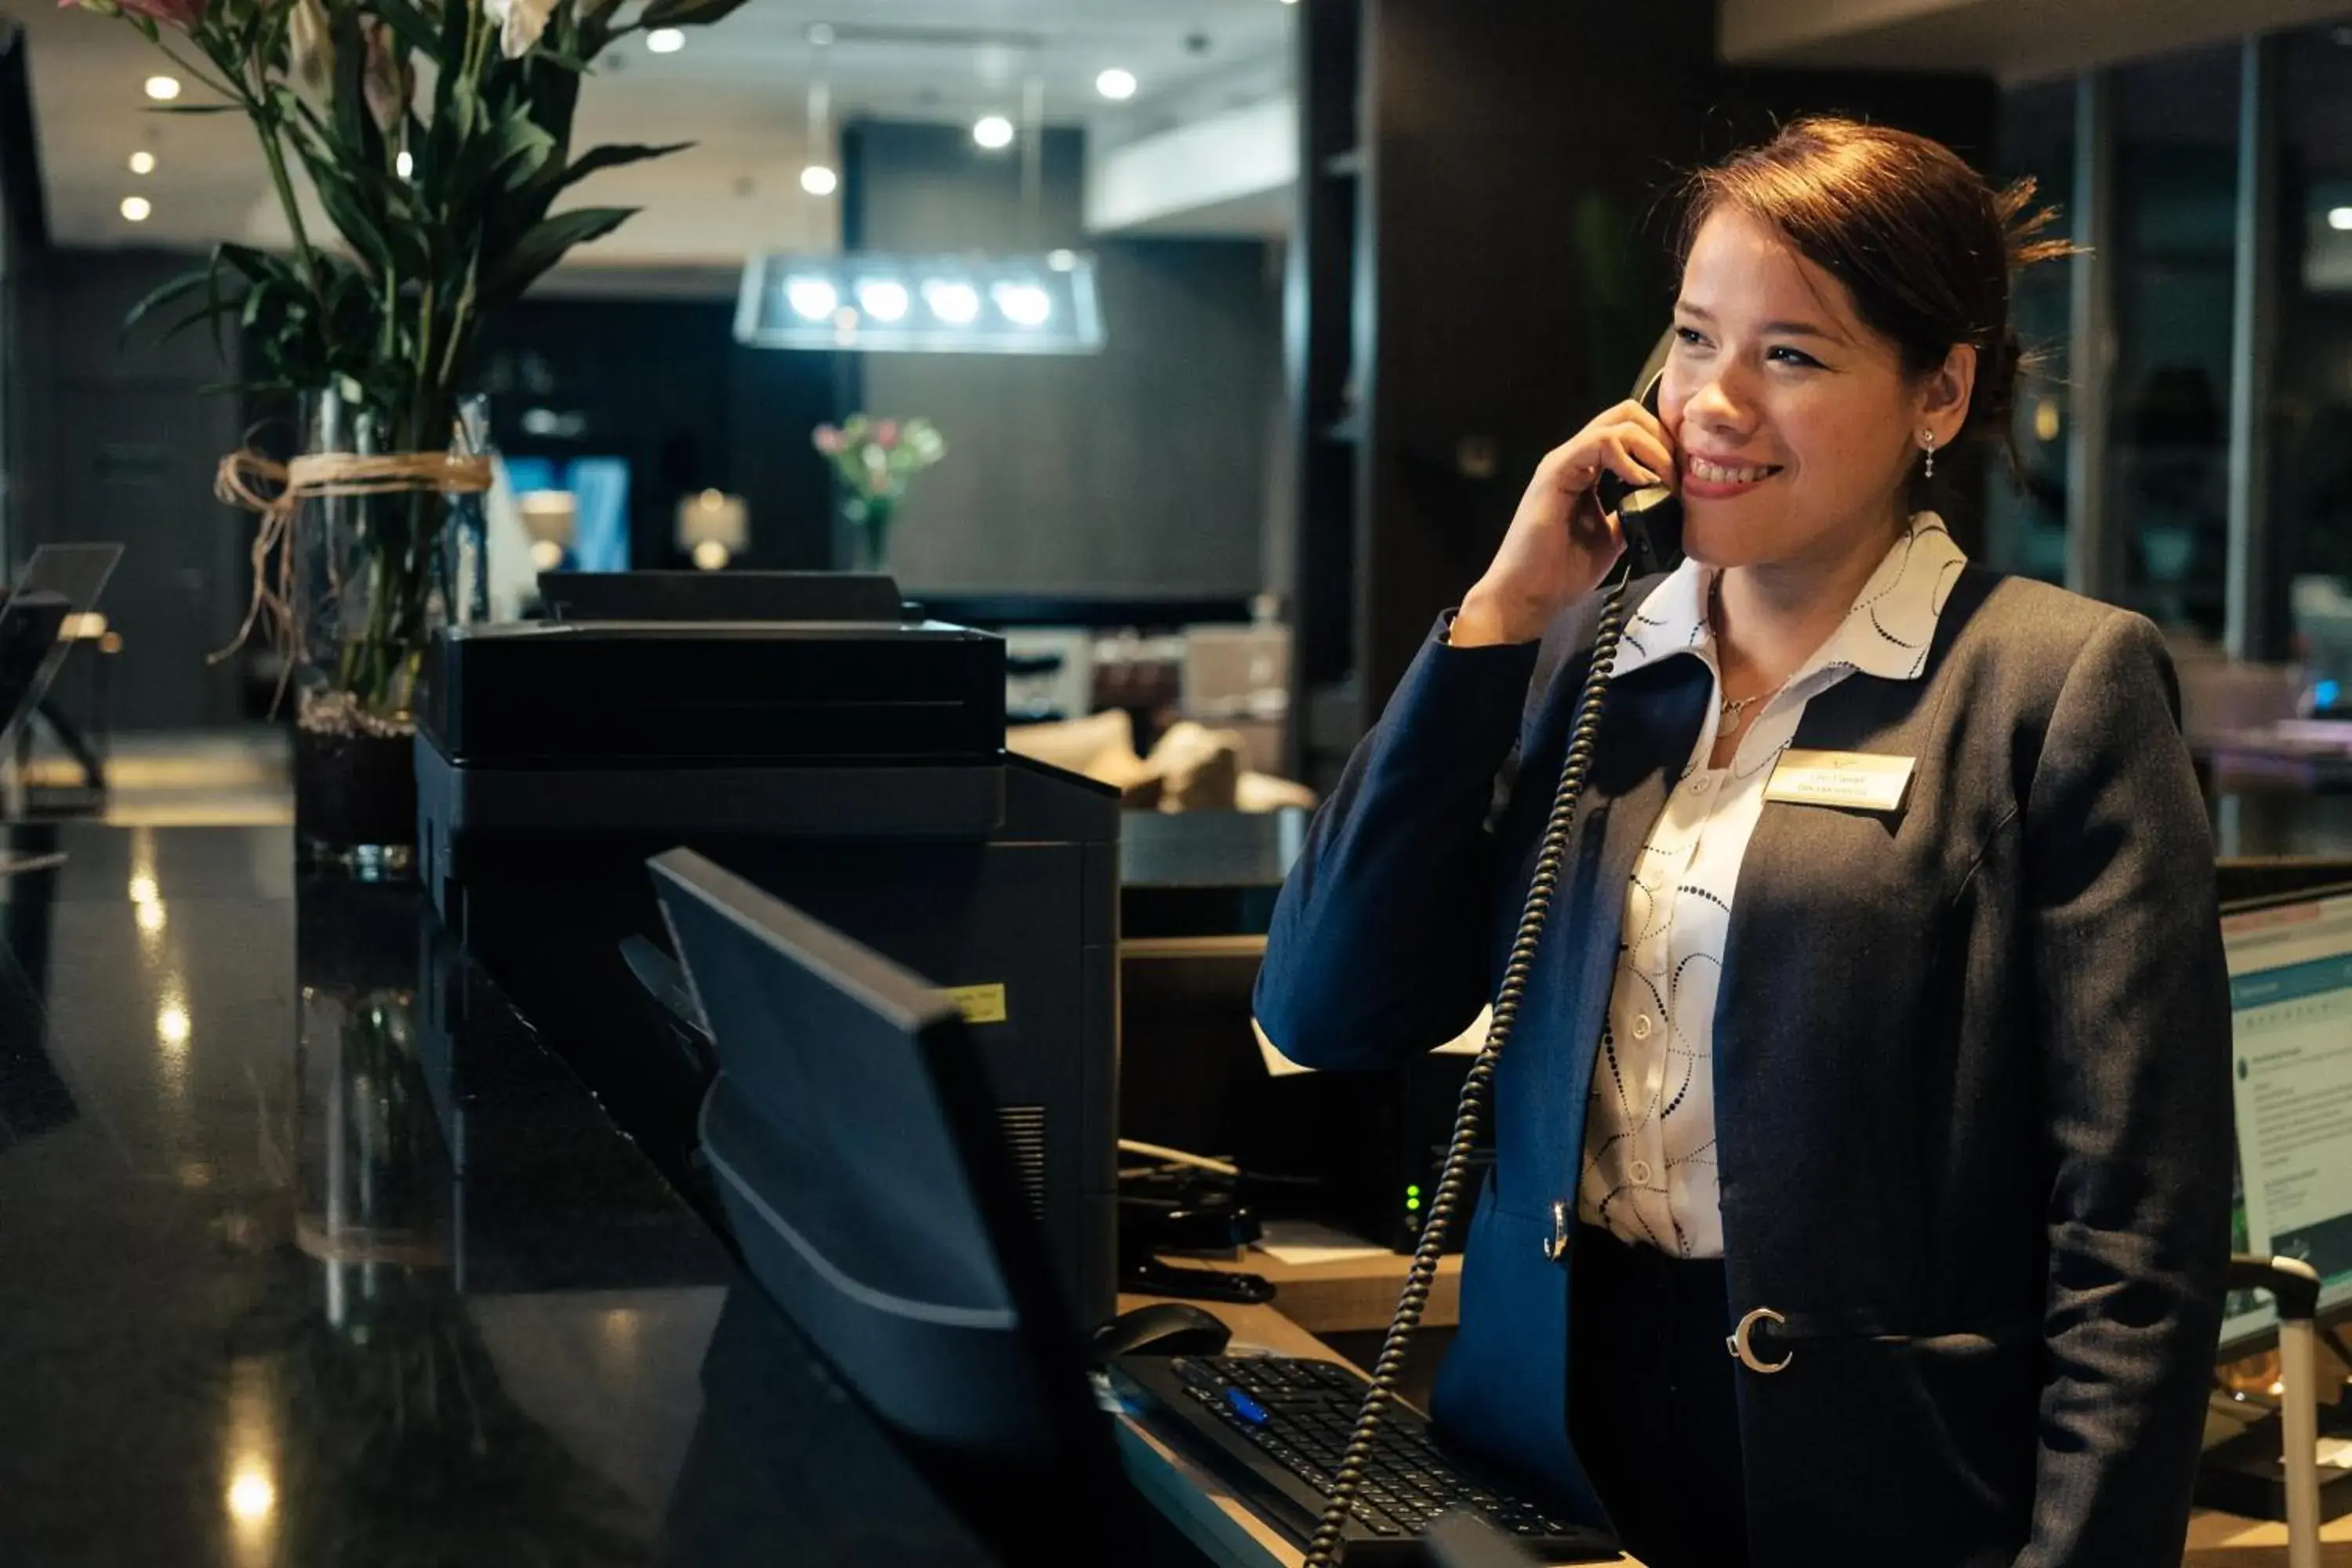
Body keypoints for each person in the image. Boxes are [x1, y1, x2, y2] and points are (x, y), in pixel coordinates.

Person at [1254, 117, 2232, 1568]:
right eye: (1696, 338)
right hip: (1548, 1463)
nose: (1713, 402)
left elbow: (2137, 1232)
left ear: (1940, 395)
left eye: (1792, 354)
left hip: (1877, 1493)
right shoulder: (1585, 659)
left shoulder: (2050, 685)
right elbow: (1327, 1006)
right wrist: (1497, 618)